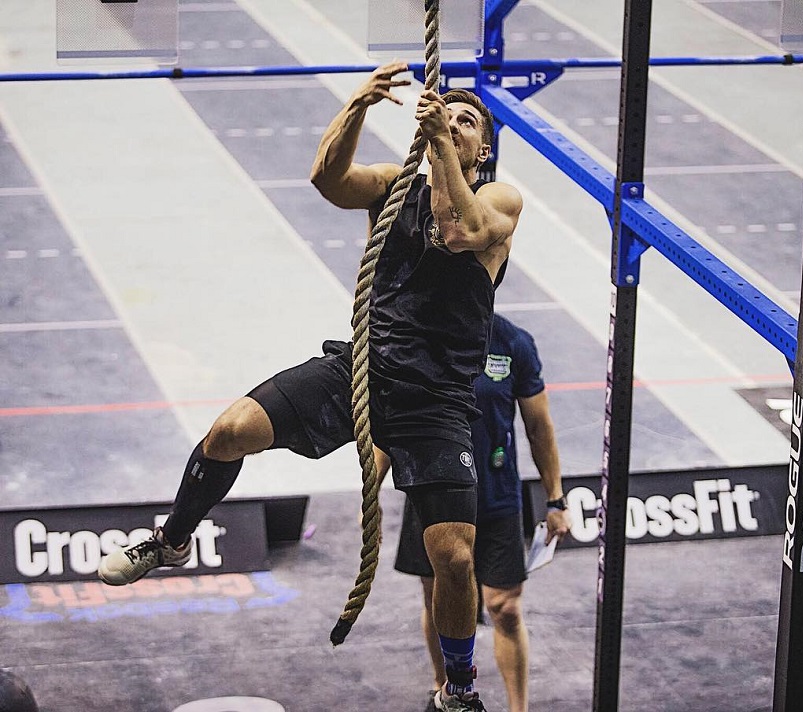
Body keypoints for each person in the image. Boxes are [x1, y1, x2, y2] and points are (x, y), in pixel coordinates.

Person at [97, 62, 523, 712]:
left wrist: (439, 139)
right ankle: (172, 539)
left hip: (436, 405)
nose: (458, 124)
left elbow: (458, 228)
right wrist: (355, 105)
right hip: (362, 371)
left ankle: (458, 687)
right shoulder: (394, 184)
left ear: (483, 147)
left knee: (456, 559)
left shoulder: (499, 200)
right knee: (229, 431)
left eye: (470, 122)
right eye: (451, 116)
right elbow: (328, 179)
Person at [394, 313, 570, 712]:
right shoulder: (419, 336)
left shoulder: (513, 343)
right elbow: (394, 421)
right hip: (434, 494)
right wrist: (367, 494)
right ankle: (446, 693)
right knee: (439, 601)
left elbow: (539, 426)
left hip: (497, 497)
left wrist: (555, 498)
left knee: (504, 608)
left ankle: (518, 709)